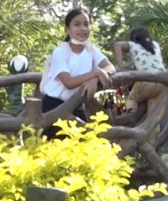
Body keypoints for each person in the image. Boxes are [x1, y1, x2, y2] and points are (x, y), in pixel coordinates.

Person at [39, 8, 116, 137]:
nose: (83, 28)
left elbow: (110, 67)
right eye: (77, 24)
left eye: (86, 24)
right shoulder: (60, 52)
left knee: (83, 143)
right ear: (67, 30)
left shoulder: (91, 50)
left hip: (76, 106)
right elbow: (68, 82)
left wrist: (94, 79)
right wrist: (96, 73)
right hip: (54, 107)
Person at [112, 26, 165, 112]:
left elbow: (117, 45)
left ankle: (131, 112)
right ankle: (154, 120)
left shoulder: (133, 45)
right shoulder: (155, 45)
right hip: (163, 81)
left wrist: (121, 64)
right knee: (153, 102)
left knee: (131, 99)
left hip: (146, 81)